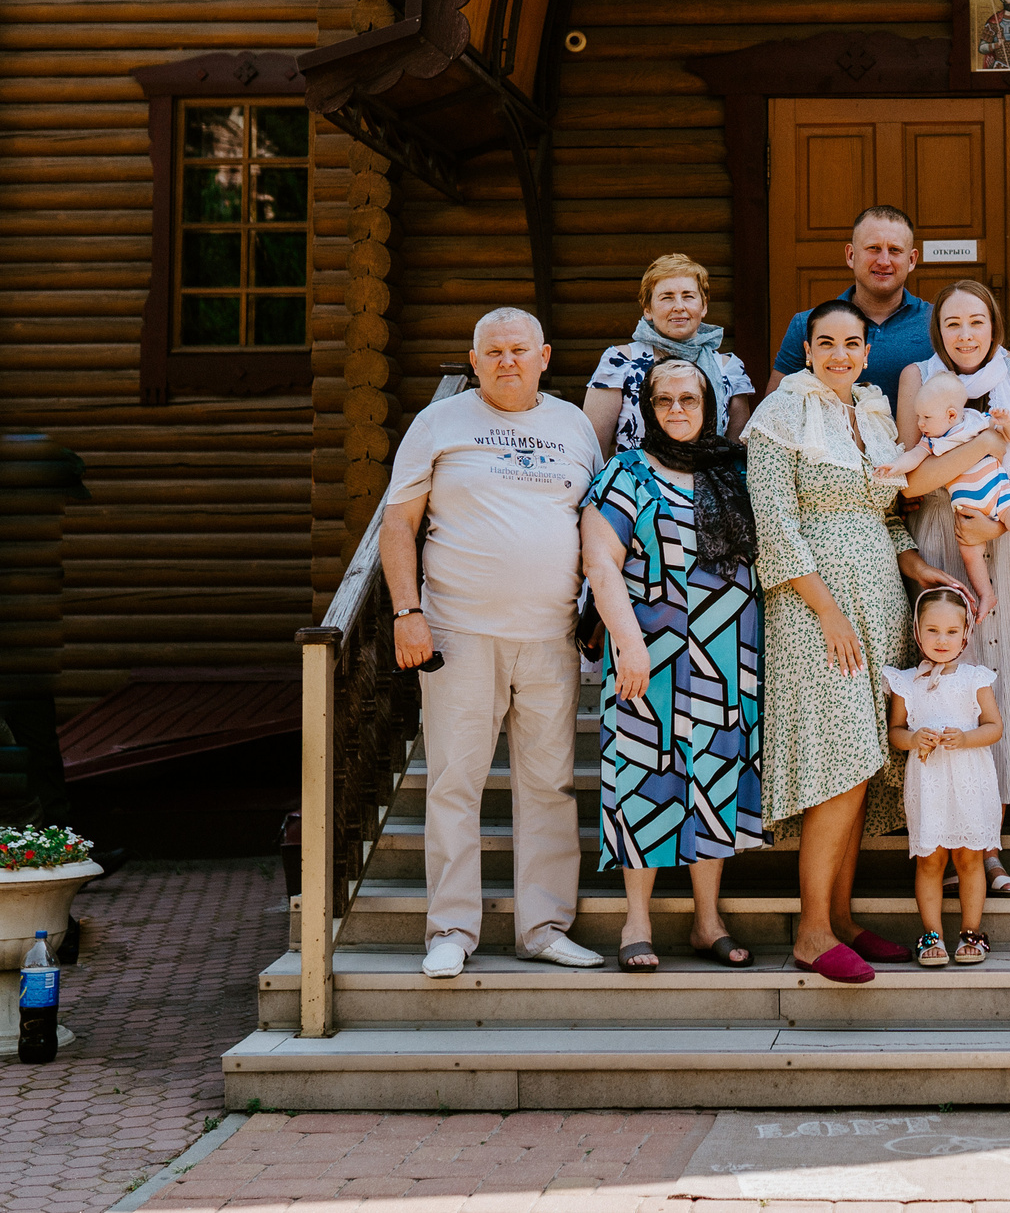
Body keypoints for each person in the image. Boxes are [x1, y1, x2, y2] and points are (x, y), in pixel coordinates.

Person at [381, 307, 605, 978]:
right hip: (458, 628)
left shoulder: (572, 425)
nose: (508, 360)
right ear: (474, 361)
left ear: (544, 355)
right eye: (494, 350)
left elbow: (595, 521)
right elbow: (399, 524)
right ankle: (451, 928)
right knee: (455, 781)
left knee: (550, 785)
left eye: (520, 349)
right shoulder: (439, 422)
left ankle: (543, 926)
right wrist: (405, 611)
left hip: (551, 635)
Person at [746, 298, 958, 983]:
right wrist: (828, 611)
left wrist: (917, 565)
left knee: (865, 762)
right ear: (806, 350)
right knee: (837, 763)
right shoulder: (781, 413)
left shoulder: (870, 412)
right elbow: (776, 525)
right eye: (826, 343)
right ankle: (810, 931)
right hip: (816, 610)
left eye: (852, 343)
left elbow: (884, 517)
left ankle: (840, 919)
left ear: (868, 352)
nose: (840, 354)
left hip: (880, 604)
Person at [579, 360, 763, 972]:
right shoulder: (625, 472)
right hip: (647, 656)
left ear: (709, 405)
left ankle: (707, 920)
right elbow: (601, 562)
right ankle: (638, 920)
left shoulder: (735, 470)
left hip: (727, 657)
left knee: (714, 783)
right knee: (641, 781)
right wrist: (628, 642)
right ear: (647, 408)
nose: (678, 410)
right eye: (664, 401)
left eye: (689, 399)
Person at [896, 280, 1010, 897]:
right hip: (941, 538)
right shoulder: (919, 375)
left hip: (1008, 540)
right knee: (944, 684)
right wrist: (989, 442)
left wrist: (999, 520)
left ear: (994, 326)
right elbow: (914, 480)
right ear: (940, 331)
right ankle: (938, 838)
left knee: (999, 682)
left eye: (977, 323)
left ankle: (989, 847)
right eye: (954, 324)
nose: (966, 335)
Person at [878, 370, 1010, 620]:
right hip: (966, 512)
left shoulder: (975, 421)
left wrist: (1006, 422)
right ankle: (986, 594)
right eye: (919, 417)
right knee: (971, 556)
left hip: (999, 494)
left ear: (951, 414)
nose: (920, 423)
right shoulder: (930, 441)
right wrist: (895, 467)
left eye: (926, 417)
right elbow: (912, 459)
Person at [884, 586, 1005, 966]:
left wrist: (967, 737)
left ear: (966, 633)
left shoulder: (975, 678)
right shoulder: (906, 682)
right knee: (930, 860)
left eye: (951, 631)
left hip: (969, 780)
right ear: (917, 632)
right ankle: (931, 935)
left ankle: (972, 931)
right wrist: (915, 738)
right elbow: (896, 733)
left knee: (970, 859)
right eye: (932, 630)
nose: (941, 639)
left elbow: (994, 728)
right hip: (930, 783)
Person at [768, 205, 932, 414]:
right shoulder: (808, 324)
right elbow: (773, 412)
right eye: (873, 248)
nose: (883, 261)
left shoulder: (938, 323)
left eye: (895, 250)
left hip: (919, 447)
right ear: (851, 255)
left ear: (911, 260)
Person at [585, 253, 755, 453]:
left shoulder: (729, 369)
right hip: (635, 482)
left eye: (688, 296)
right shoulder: (620, 362)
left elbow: (737, 455)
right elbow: (592, 451)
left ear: (704, 306)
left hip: (709, 483)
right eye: (667, 297)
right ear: (647, 309)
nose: (679, 307)